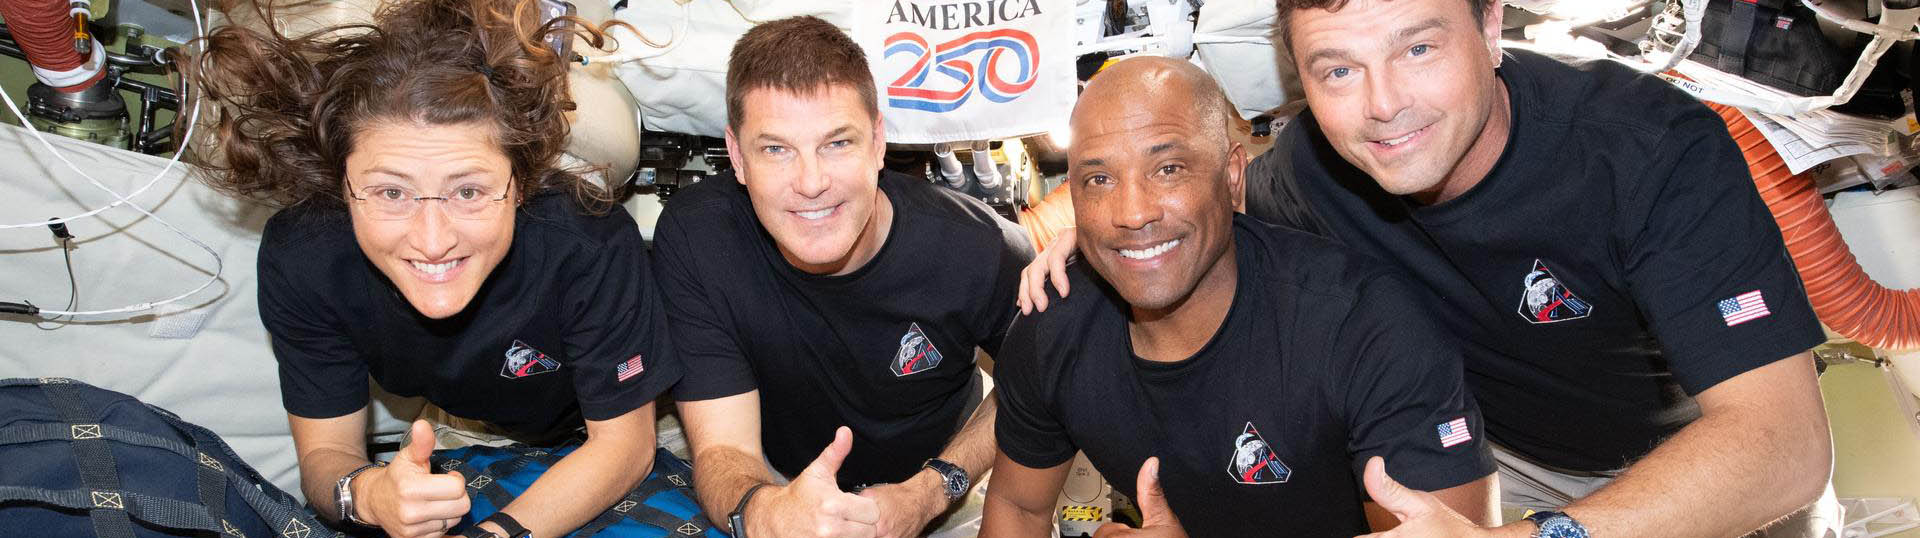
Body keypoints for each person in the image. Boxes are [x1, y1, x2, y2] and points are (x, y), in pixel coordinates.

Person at [1018, 1, 1836, 536]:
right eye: (1337, 69)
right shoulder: (1310, 169)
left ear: (1490, 30)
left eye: (1417, 47)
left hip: (1704, 464)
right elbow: (1189, 197)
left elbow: (1783, 445)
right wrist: (1089, 237)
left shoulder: (1643, 150)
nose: (1382, 104)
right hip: (1496, 463)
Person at [186, 0, 682, 536]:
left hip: (632, 424)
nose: (432, 241)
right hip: (470, 429)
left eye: (468, 191)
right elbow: (328, 452)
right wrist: (368, 494)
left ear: (520, 183)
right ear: (340, 185)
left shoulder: (587, 239)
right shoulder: (304, 257)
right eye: (390, 192)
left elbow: (624, 448)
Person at [979, 56, 1497, 538]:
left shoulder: (1365, 327)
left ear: (1231, 176)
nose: (1132, 212)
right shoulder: (1051, 333)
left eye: (1168, 170)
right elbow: (1018, 505)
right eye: (1099, 179)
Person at [650, 15, 1035, 538]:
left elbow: (1036, 385)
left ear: (878, 141)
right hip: (779, 484)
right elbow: (725, 449)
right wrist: (769, 513)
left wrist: (929, 492)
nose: (811, 183)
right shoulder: (698, 239)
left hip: (953, 481)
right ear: (737, 157)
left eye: (837, 143)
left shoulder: (979, 247)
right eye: (776, 149)